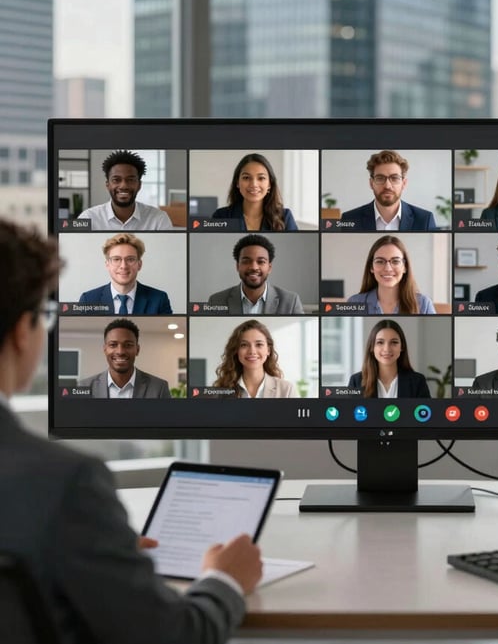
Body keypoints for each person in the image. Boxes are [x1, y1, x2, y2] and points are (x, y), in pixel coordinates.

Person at [0, 218, 263, 644]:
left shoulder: (158, 317)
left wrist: (99, 547)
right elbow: (173, 636)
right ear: (20, 332)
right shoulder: (67, 485)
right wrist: (225, 581)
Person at [340, 150, 438, 231]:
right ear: (371, 183)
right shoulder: (349, 219)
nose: (387, 185)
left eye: (394, 178)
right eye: (380, 178)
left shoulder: (425, 220)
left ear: (404, 183)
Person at [207, 234, 304, 314]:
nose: (254, 267)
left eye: (261, 261)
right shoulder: (216, 301)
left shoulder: (291, 301)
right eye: (246, 261)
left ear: (269, 268)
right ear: (237, 266)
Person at [78, 150, 174, 230]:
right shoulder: (88, 217)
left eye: (130, 180)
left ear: (139, 185)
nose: (123, 186)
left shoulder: (159, 219)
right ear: (107, 185)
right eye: (116, 180)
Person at [79, 232, 173, 314]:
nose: (123, 266)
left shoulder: (159, 299)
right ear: (107, 264)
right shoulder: (88, 300)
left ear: (139, 265)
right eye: (116, 259)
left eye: (130, 259)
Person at [78, 318, 171, 398]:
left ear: (137, 350)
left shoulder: (159, 388)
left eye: (128, 345)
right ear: (105, 349)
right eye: (113, 345)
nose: (120, 351)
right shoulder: (83, 387)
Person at [346, 235, 436, 314]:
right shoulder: (354, 302)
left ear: (405, 267)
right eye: (380, 261)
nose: (388, 268)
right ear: (371, 267)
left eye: (395, 261)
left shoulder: (424, 305)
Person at [212, 153, 298, 231]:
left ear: (269, 184)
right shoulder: (221, 216)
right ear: (237, 183)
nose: (254, 184)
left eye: (261, 178)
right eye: (246, 178)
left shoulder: (285, 217)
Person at [213, 319, 298, 398]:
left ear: (268, 350)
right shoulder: (221, 392)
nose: (252, 351)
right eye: (244, 345)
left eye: (259, 345)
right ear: (236, 350)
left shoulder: (286, 390)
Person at [348, 319, 431, 398]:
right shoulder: (356, 382)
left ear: (402, 347)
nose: (387, 349)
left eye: (394, 342)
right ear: (372, 347)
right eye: (380, 342)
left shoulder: (417, 382)